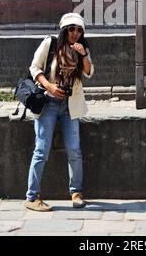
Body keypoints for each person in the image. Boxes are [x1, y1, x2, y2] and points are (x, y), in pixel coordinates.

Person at [25, 12, 94, 211]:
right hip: (48, 102)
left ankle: (76, 192)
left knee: (74, 149)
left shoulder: (82, 48)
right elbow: (35, 68)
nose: (75, 33)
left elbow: (88, 72)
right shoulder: (50, 43)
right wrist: (49, 87)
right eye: (71, 29)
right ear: (64, 30)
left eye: (79, 30)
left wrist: (83, 54)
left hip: (70, 104)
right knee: (41, 149)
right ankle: (32, 197)